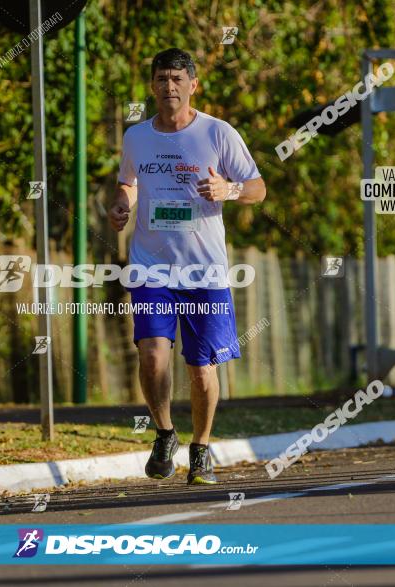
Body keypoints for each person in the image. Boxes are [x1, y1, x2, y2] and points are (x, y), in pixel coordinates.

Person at [110, 48, 266, 484]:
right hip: (151, 268)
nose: (169, 86)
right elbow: (129, 180)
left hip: (204, 271)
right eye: (162, 78)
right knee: (153, 354)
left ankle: (201, 449)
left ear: (193, 85)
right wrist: (123, 203)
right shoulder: (137, 137)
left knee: (201, 369)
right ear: (152, 85)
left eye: (178, 78)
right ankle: (164, 434)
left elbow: (258, 188)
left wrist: (227, 189)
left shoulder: (218, 133)